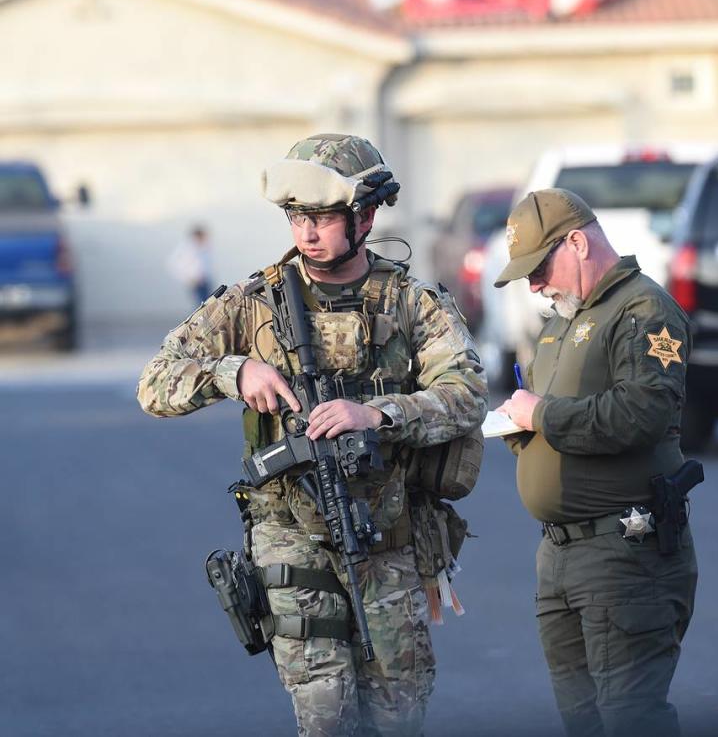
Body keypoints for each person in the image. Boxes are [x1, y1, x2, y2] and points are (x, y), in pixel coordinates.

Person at [137, 133, 488, 736]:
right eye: (297, 216)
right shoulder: (254, 302)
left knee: (398, 715)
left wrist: (379, 414)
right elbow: (155, 383)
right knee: (326, 717)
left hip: (388, 532)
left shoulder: (411, 302)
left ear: (366, 216)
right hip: (289, 533)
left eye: (323, 216)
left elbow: (468, 395)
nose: (307, 231)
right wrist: (235, 370)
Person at [494, 188, 698, 737]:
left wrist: (543, 417)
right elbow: (549, 413)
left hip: (623, 557)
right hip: (559, 554)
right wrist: (519, 425)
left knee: (632, 719)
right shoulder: (560, 321)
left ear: (578, 242)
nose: (534, 285)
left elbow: (644, 413)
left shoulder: (643, 310)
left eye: (538, 268)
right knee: (582, 722)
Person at [167, 224, 213, 307]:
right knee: (202, 306)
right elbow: (173, 265)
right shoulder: (187, 248)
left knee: (209, 304)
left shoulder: (203, 248)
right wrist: (188, 278)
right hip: (196, 282)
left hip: (205, 281)